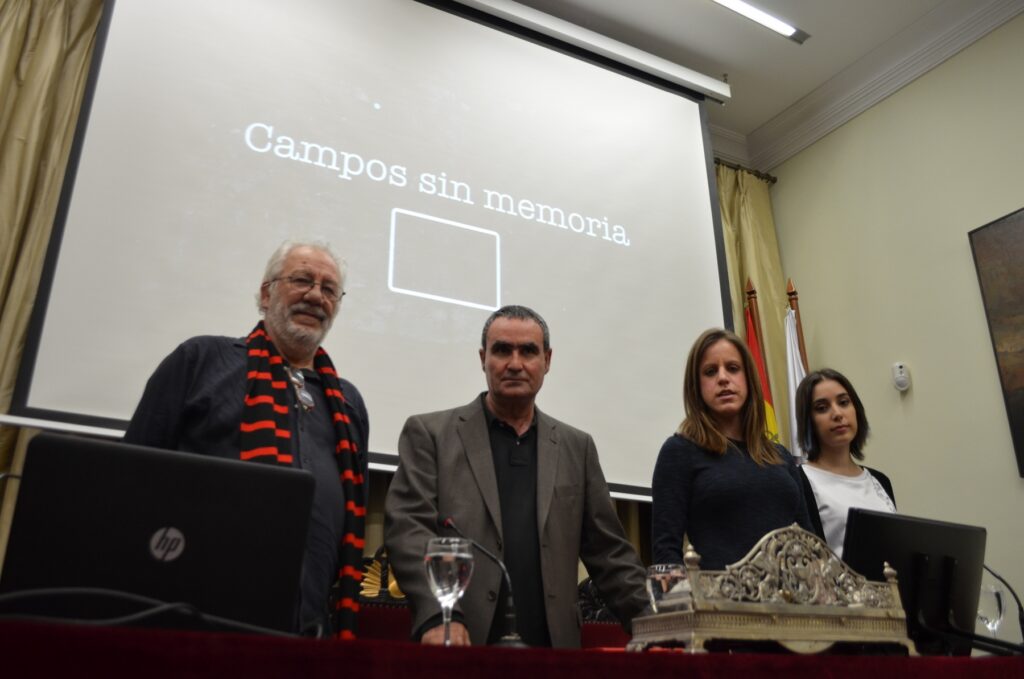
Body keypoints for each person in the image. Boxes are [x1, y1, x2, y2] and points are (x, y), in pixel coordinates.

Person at [124, 241, 369, 638]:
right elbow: (130, 483)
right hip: (195, 623)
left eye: (329, 289)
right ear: (266, 293)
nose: (315, 296)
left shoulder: (348, 403)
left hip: (309, 631)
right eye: (302, 280)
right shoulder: (200, 361)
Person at [384, 305, 647, 648]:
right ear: (483, 358)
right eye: (502, 350)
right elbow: (408, 531)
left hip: (554, 651)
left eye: (528, 351)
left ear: (547, 360)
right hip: (460, 645)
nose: (515, 363)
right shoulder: (431, 435)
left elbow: (610, 555)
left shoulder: (576, 447)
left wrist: (658, 625)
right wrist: (438, 615)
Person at [651, 328, 814, 570]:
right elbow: (665, 552)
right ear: (696, 386)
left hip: (792, 593)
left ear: (748, 378)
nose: (723, 378)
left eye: (733, 368)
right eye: (710, 371)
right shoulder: (679, 451)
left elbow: (810, 544)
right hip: (719, 593)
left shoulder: (781, 456)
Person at [795, 368, 896, 557]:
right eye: (822, 408)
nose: (837, 414)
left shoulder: (880, 480)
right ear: (808, 421)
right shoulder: (799, 481)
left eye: (843, 402)